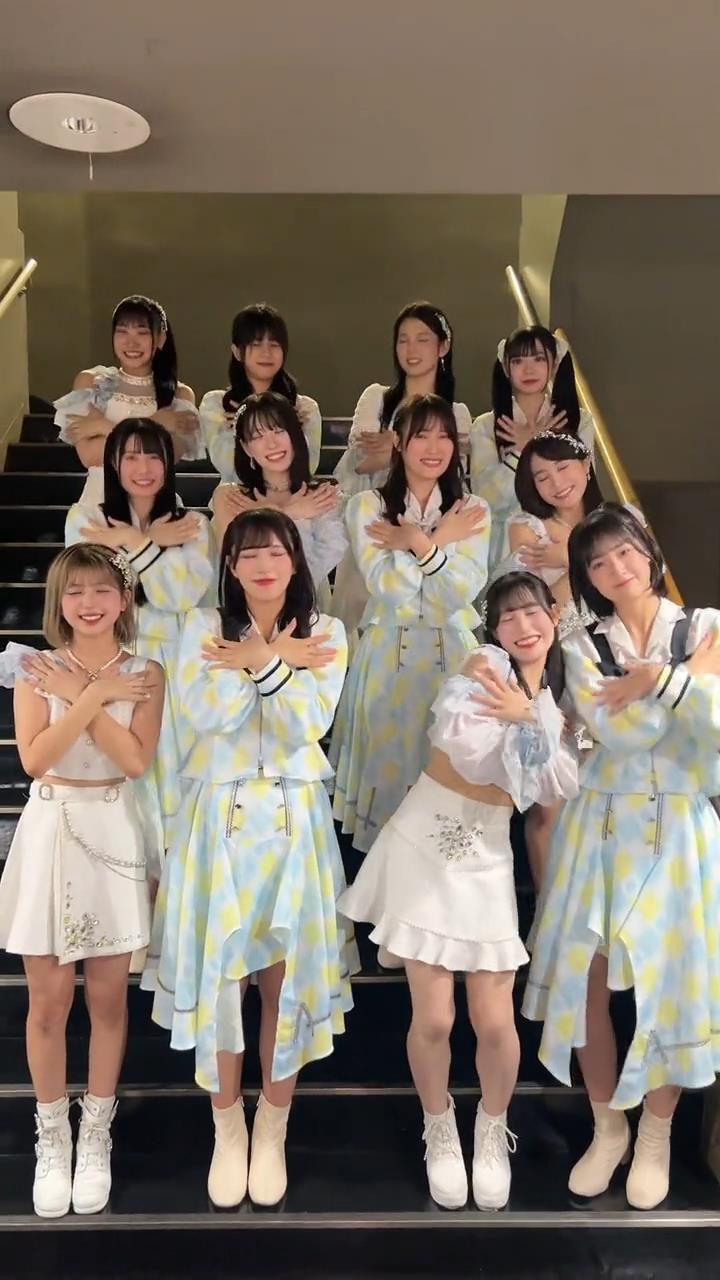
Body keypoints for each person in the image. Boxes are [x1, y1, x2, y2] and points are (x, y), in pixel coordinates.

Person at [340, 572, 578, 1210]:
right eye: (507, 618)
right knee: (435, 1016)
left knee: (495, 1020)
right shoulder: (484, 667)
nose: (522, 627)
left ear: (554, 616)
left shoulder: (556, 691)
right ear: (493, 630)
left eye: (532, 613)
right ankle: (438, 1125)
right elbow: (475, 755)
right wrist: (534, 727)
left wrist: (529, 717)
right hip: (427, 841)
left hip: (488, 853)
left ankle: (493, 1129)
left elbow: (551, 785)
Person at [142, 510, 357, 1209]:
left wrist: (256, 662)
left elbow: (307, 723)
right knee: (223, 979)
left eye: (276, 552)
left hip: (295, 820)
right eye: (248, 554)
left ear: (296, 561)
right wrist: (276, 663)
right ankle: (227, 1126)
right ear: (230, 566)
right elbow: (209, 715)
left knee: (283, 980)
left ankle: (272, 1126)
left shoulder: (328, 632)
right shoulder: (201, 627)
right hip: (220, 820)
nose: (264, 565)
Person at [523, 504, 720, 1210]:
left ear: (650, 552)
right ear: (585, 576)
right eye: (598, 562)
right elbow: (622, 731)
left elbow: (716, 726)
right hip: (601, 825)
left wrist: (657, 681)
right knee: (587, 983)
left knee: (671, 983)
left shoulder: (705, 625)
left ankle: (656, 1135)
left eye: (625, 553)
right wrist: (687, 684)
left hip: (680, 828)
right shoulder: (581, 643)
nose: (616, 569)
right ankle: (608, 1127)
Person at [0, 544, 163, 1218]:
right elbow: (36, 759)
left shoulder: (147, 673)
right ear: (58, 602)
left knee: (107, 1000)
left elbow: (134, 761)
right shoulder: (34, 668)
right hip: (50, 831)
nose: (89, 603)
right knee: (46, 1003)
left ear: (123, 599)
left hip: (113, 830)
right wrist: (92, 693)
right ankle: (53, 1134)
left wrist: (85, 696)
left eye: (102, 590)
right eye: (75, 592)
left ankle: (96, 1131)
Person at [330, 394, 489, 855]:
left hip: (452, 657)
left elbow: (459, 591)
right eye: (421, 435)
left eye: (444, 436)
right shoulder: (367, 506)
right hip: (387, 656)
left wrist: (417, 543)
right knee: (387, 778)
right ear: (398, 442)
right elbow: (390, 587)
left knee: (448, 773)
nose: (434, 447)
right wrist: (437, 542)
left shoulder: (473, 509)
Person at [65, 419, 214, 858]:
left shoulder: (193, 525)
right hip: (110, 659)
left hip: (175, 664)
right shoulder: (85, 519)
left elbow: (179, 595)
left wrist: (132, 541)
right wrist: (153, 543)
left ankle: (171, 879)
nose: (143, 468)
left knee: (172, 770)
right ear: (113, 462)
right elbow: (96, 591)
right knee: (116, 767)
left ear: (169, 464)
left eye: (153, 456)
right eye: (131, 456)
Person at [332, 301, 472, 633]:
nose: (411, 349)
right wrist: (421, 451)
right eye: (403, 339)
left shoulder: (458, 413)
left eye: (422, 339)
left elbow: (449, 472)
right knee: (366, 620)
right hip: (377, 521)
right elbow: (362, 462)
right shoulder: (378, 398)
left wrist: (393, 445)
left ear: (443, 346)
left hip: (433, 524)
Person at [54, 295, 202, 506]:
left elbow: (168, 455)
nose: (131, 342)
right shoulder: (91, 383)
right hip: (99, 503)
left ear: (160, 338)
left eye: (142, 333)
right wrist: (157, 424)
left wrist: (103, 427)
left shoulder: (179, 395)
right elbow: (89, 455)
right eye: (122, 332)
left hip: (157, 505)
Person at [470, 326, 594, 575]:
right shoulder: (485, 425)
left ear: (554, 364)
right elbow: (485, 497)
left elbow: (583, 483)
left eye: (538, 359)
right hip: (508, 544)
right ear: (506, 368)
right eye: (518, 361)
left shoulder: (579, 420)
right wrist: (523, 450)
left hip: (565, 536)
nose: (529, 369)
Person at [210, 392, 345, 611]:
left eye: (279, 431)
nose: (271, 444)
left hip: (305, 613)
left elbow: (311, 572)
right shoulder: (230, 497)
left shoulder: (324, 497)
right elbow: (235, 564)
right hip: (243, 614)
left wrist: (264, 514)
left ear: (295, 434)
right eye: (257, 436)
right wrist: (288, 513)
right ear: (246, 447)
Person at [199, 303, 322, 482]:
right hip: (236, 495)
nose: (266, 353)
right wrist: (244, 427)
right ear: (237, 352)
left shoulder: (305, 408)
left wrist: (292, 428)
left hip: (292, 495)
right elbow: (228, 466)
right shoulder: (215, 405)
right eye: (256, 344)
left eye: (274, 344)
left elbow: (308, 466)